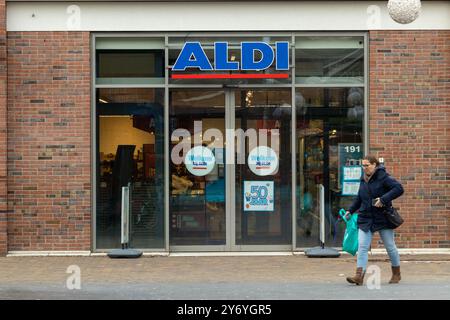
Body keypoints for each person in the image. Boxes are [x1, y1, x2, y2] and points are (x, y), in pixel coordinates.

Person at [345, 155, 404, 285]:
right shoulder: (363, 179)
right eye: (363, 165)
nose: (364, 168)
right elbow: (359, 198)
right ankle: (359, 276)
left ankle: (396, 273)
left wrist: (383, 199)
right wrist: (350, 210)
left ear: (375, 165)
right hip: (366, 218)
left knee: (390, 246)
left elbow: (399, 189)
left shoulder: (383, 177)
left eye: (367, 165)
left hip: (383, 217)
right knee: (362, 247)